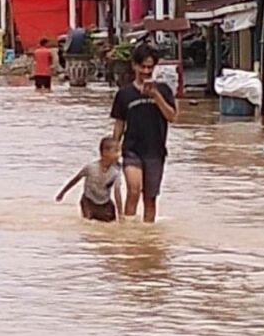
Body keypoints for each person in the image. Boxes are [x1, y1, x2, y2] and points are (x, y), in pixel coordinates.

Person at [111, 43, 177, 223]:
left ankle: (147, 239)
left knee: (150, 198)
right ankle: (129, 232)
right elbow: (119, 125)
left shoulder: (163, 90)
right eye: (143, 66)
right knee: (133, 190)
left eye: (150, 67)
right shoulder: (124, 94)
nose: (146, 71)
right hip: (132, 150)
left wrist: (156, 97)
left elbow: (172, 117)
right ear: (134, 65)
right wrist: (112, 150)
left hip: (155, 151)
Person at [56, 137, 124, 222]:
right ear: (104, 152)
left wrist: (120, 213)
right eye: (116, 151)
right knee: (88, 223)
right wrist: (62, 193)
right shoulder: (91, 167)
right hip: (88, 201)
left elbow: (117, 192)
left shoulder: (116, 171)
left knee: (111, 225)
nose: (119, 155)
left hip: (105, 203)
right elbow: (76, 179)